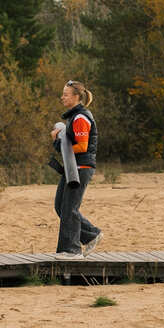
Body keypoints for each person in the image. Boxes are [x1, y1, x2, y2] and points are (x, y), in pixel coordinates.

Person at [50, 80, 102, 259]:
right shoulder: (73, 117)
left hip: (81, 168)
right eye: (62, 94)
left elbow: (82, 146)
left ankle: (71, 250)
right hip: (72, 168)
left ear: (76, 97)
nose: (62, 97)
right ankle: (91, 235)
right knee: (60, 206)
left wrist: (58, 141)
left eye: (65, 94)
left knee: (69, 208)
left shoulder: (80, 117)